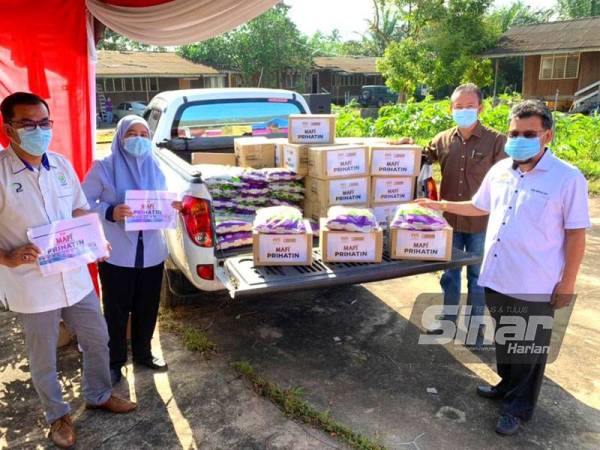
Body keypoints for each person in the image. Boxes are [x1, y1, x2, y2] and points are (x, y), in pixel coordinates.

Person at [417, 99, 590, 435]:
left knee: (528, 349)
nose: (519, 138)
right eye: (514, 132)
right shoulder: (500, 171)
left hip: (535, 282)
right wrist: (439, 204)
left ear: (547, 136)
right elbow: (478, 206)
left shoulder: (567, 178)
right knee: (507, 339)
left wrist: (566, 283)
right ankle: (504, 387)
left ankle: (518, 408)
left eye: (529, 133)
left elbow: (575, 236)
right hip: (498, 276)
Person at [0, 92, 137, 449]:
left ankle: (98, 393)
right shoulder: (0, 173)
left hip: (75, 277)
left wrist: (95, 240)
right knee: (43, 356)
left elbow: (78, 210)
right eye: (27, 123)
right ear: (8, 128)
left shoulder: (60, 165)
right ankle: (57, 416)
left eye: (44, 123)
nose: (38, 130)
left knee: (97, 338)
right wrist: (8, 257)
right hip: (32, 284)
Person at [83, 115, 180, 385]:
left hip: (151, 251)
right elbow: (81, 202)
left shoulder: (155, 164)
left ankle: (143, 353)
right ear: (120, 136)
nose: (138, 139)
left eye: (143, 134)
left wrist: (174, 206)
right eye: (132, 134)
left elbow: (166, 196)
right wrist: (110, 211)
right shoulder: (104, 166)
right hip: (117, 255)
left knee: (147, 307)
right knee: (115, 310)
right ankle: (114, 362)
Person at [424, 83, 507, 339]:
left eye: (469, 106)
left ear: (480, 108)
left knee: (477, 277)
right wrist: (403, 147)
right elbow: (422, 157)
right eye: (458, 107)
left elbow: (508, 180)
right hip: (449, 221)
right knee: (449, 274)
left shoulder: (496, 141)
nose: (463, 111)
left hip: (482, 223)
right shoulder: (443, 139)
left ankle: (474, 328)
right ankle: (448, 321)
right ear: (451, 108)